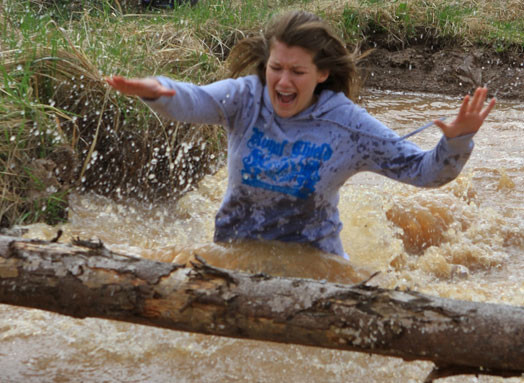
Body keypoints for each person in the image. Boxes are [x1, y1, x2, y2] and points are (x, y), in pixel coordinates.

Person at [106, 10, 496, 260]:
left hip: (317, 270)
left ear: (322, 74)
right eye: (276, 68)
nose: (283, 81)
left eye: (297, 72)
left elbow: (422, 171)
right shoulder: (246, 97)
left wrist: (457, 140)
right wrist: (155, 88)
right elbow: (193, 99)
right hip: (233, 257)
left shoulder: (348, 124)